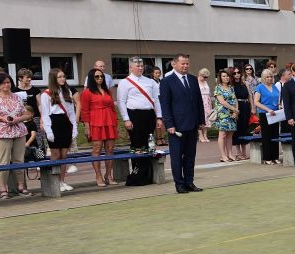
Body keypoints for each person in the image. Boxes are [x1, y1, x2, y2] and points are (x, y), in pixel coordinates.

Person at [0, 72, 32, 198]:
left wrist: (18, 119)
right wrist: (1, 118)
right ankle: (3, 188)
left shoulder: (16, 97)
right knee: (3, 161)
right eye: (3, 83)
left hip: (19, 131)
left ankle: (21, 186)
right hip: (0, 132)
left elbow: (27, 114)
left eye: (8, 82)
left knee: (19, 160)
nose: (6, 85)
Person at [159, 53, 206, 192]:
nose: (185, 66)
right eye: (182, 64)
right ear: (175, 64)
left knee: (190, 156)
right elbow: (165, 105)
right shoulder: (167, 81)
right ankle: (179, 184)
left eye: (187, 64)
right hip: (177, 126)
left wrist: (201, 120)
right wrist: (169, 124)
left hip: (192, 124)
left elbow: (198, 102)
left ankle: (189, 181)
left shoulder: (192, 79)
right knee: (177, 156)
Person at [117, 57, 162, 186]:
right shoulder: (125, 82)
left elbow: (156, 100)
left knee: (149, 145)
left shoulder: (150, 82)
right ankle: (137, 175)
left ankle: (148, 174)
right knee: (137, 145)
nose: (140, 68)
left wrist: (159, 117)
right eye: (137, 66)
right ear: (131, 67)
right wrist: (126, 119)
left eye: (141, 65)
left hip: (148, 115)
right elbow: (121, 102)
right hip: (134, 115)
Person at [39, 69, 79, 191]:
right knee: (55, 155)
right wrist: (49, 131)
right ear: (53, 79)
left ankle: (62, 181)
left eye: (63, 76)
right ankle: (54, 182)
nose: (63, 79)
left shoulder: (67, 91)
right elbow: (45, 114)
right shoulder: (46, 94)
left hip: (66, 123)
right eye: (59, 77)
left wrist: (74, 128)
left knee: (64, 155)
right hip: (54, 123)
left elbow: (71, 112)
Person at [79, 68, 118, 186]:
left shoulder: (107, 91)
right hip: (95, 122)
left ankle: (108, 175)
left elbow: (112, 107)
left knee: (110, 149)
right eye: (97, 77)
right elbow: (84, 110)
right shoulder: (87, 92)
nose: (100, 78)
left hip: (109, 120)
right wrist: (87, 127)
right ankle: (98, 175)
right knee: (97, 148)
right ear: (92, 78)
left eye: (101, 76)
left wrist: (114, 122)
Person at [252, 68, 283, 165]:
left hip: (275, 113)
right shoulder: (259, 87)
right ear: (263, 78)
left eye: (271, 77)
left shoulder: (274, 87)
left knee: (275, 135)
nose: (269, 79)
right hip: (265, 113)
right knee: (267, 136)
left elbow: (277, 98)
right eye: (267, 77)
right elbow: (256, 102)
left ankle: (275, 156)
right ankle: (267, 157)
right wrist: (268, 109)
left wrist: (279, 105)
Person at [213, 68, 239, 163]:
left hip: (232, 114)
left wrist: (236, 112)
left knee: (230, 135)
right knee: (223, 134)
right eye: (224, 76)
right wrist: (234, 109)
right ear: (220, 78)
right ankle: (223, 155)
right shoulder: (218, 88)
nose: (226, 77)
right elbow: (222, 102)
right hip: (223, 114)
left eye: (227, 76)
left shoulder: (231, 88)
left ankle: (230, 154)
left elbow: (235, 100)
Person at [196, 68, 213, 143]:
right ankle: (200, 135)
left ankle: (205, 135)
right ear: (200, 75)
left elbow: (209, 93)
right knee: (200, 118)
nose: (205, 78)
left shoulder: (205, 82)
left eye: (207, 77)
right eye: (204, 77)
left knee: (206, 119)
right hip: (200, 101)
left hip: (207, 101)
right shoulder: (196, 82)